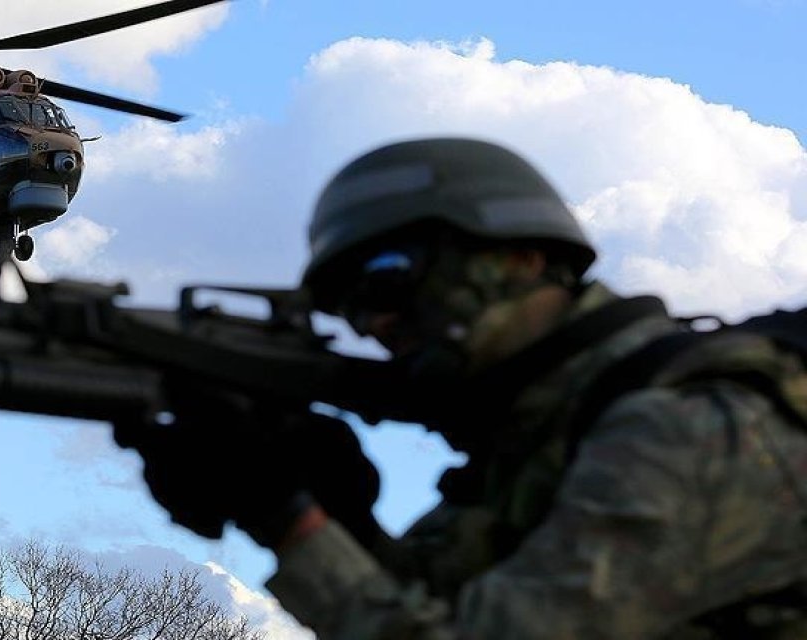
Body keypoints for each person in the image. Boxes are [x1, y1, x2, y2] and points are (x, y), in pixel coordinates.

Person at [121, 137, 807, 638]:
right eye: (351, 307)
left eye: (388, 280)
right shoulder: (539, 441)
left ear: (522, 256)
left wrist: (292, 524)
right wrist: (343, 525)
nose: (376, 324)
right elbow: (437, 611)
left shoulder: (684, 429)